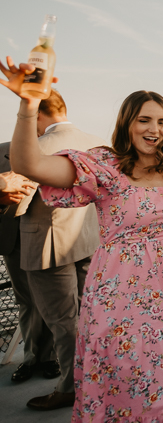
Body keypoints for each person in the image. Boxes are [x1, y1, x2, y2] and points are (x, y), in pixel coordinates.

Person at [3, 60, 163, 421]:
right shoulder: (104, 165)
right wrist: (28, 105)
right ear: (127, 123)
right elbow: (30, 164)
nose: (155, 129)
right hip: (121, 294)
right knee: (136, 379)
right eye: (144, 120)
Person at [9, 88, 105, 410]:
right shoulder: (96, 142)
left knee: (63, 323)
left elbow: (16, 201)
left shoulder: (37, 147)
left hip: (49, 247)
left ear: (38, 115)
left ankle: (70, 388)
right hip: (89, 240)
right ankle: (98, 377)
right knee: (89, 315)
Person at [0, 160, 57, 386]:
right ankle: (31, 359)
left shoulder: (55, 151)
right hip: (13, 240)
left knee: (54, 302)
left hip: (50, 238)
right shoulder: (2, 150)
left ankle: (52, 358)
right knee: (26, 302)